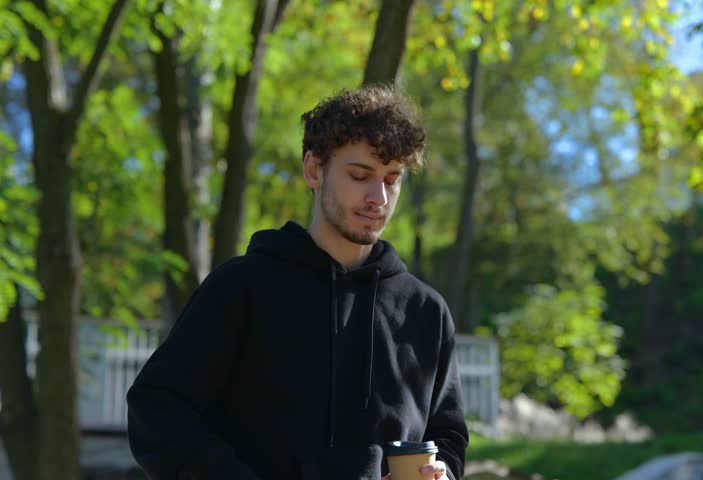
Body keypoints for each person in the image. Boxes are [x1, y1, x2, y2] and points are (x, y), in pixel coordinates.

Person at [126, 85, 469, 480]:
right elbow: (157, 410)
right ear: (313, 170)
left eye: (393, 180)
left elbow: (447, 437)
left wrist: (442, 474)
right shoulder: (241, 288)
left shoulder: (426, 312)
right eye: (360, 175)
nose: (379, 197)